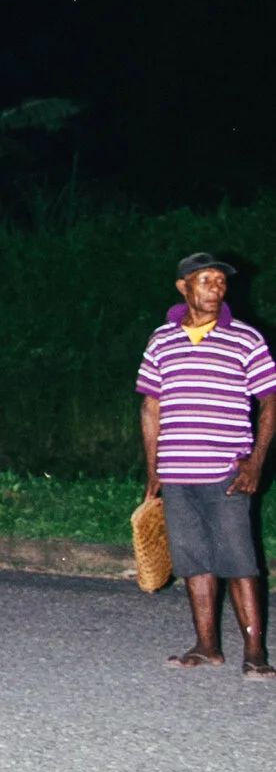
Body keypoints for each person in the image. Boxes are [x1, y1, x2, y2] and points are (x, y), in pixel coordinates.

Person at [137, 250, 276, 676]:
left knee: (240, 562)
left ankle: (255, 652)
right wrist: (153, 472)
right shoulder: (162, 340)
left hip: (227, 472)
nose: (217, 288)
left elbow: (270, 401)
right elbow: (151, 407)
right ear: (184, 287)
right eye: (206, 280)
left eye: (221, 281)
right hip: (177, 473)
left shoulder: (246, 338)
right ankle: (206, 645)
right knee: (193, 561)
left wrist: (255, 462)